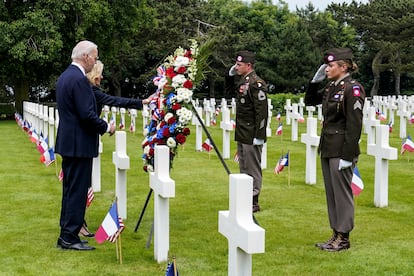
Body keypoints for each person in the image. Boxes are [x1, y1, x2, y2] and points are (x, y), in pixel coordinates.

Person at [78, 60, 152, 238]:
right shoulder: (91, 91)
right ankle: (78, 224)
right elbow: (114, 100)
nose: (102, 77)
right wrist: (141, 102)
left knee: (80, 184)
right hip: (84, 142)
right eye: (100, 73)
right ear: (93, 74)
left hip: (83, 142)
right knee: (80, 184)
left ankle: (79, 222)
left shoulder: (88, 89)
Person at [55, 40, 115, 250]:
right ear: (86, 57)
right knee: (78, 191)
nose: (95, 61)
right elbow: (86, 115)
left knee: (70, 189)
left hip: (69, 143)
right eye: (95, 57)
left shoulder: (65, 76)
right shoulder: (79, 79)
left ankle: (66, 233)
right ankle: (70, 237)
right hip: (79, 144)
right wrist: (106, 127)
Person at [305, 48, 365, 252]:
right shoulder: (332, 87)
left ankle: (344, 236)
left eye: (331, 66)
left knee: (341, 193)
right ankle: (336, 233)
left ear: (344, 66)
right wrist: (315, 82)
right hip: (328, 146)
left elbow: (354, 125)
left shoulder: (352, 89)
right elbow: (309, 102)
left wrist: (348, 156)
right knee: (332, 193)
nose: (327, 69)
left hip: (341, 149)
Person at [230, 50, 268, 213]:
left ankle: (254, 199)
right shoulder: (243, 81)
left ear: (248, 65)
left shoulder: (256, 83)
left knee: (252, 167)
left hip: (252, 132)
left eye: (239, 65)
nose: (236, 67)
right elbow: (231, 92)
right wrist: (230, 76)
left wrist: (259, 135)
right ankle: (246, 197)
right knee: (244, 165)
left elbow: (261, 111)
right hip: (243, 131)